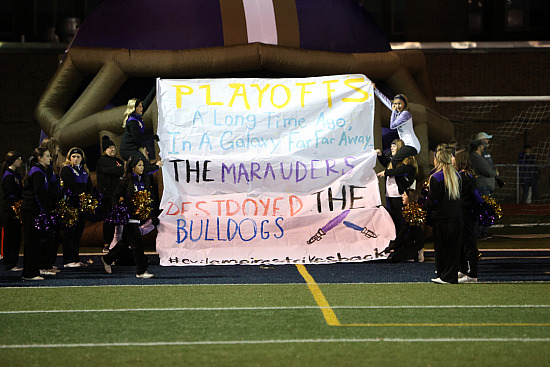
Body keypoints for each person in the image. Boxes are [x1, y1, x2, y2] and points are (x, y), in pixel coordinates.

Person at [102, 155, 155, 279]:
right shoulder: (126, 180)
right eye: (139, 165)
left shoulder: (145, 180)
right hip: (129, 217)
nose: (142, 167)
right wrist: (118, 209)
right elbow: (115, 196)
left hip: (138, 216)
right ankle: (141, 271)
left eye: (143, 165)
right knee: (138, 242)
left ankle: (107, 259)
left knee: (125, 242)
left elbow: (148, 196)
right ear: (133, 167)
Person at [424, 145, 462, 284]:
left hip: (442, 218)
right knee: (454, 248)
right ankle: (450, 275)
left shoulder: (436, 177)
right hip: (457, 217)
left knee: (441, 248)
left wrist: (425, 212)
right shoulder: (457, 175)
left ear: (437, 160)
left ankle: (444, 275)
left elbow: (433, 199)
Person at [21, 148, 56, 280]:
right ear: (40, 158)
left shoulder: (41, 171)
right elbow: (37, 193)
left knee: (34, 241)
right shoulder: (38, 172)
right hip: (32, 210)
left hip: (33, 210)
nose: (50, 158)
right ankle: (29, 273)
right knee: (32, 241)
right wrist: (43, 210)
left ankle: (33, 270)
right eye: (47, 156)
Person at [453, 148, 483, 283]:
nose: (452, 160)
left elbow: (475, 197)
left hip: (465, 214)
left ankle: (472, 274)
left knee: (469, 243)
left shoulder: (463, 176)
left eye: (454, 157)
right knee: (463, 243)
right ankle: (464, 270)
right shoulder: (466, 175)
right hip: (465, 214)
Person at [60, 147, 93, 268]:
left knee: (78, 233)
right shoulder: (66, 169)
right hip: (71, 205)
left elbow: (90, 186)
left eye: (78, 156)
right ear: (69, 158)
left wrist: (88, 198)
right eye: (73, 156)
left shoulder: (84, 170)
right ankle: (68, 260)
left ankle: (75, 258)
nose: (76, 159)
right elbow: (70, 185)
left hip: (82, 206)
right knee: (70, 232)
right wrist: (81, 196)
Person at [374, 84, 421, 167]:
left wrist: (393, 111)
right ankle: (390, 175)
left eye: (400, 104)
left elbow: (392, 126)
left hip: (412, 145)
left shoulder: (406, 114)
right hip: (404, 145)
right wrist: (375, 90)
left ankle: (388, 173)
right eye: (395, 104)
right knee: (388, 158)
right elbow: (386, 101)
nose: (397, 106)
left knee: (394, 160)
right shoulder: (397, 112)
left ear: (404, 104)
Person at [376, 139, 417, 234]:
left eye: (394, 145)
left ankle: (402, 237)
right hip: (389, 193)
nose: (391, 148)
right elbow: (385, 162)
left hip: (399, 194)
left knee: (400, 217)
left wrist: (386, 172)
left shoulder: (407, 160)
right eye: (391, 145)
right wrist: (380, 155)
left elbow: (399, 171)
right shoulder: (391, 159)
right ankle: (395, 237)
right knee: (392, 217)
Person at [119, 92, 163, 174]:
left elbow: (147, 102)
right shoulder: (132, 122)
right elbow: (138, 139)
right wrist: (153, 137)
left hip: (134, 148)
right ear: (134, 108)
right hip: (128, 150)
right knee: (144, 167)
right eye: (139, 107)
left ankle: (154, 167)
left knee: (145, 164)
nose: (142, 108)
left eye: (141, 106)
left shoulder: (138, 115)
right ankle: (157, 166)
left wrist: (155, 88)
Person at [96, 136, 125, 252]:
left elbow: (121, 170)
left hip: (118, 195)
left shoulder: (117, 160)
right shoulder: (102, 161)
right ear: (105, 149)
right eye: (109, 147)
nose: (112, 150)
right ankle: (107, 243)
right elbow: (115, 170)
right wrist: (119, 170)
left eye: (114, 147)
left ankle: (118, 243)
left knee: (119, 221)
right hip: (107, 196)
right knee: (109, 221)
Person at [39, 137, 62, 275]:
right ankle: (43, 265)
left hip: (53, 205)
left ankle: (49, 264)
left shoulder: (53, 166)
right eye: (57, 147)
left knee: (53, 237)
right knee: (46, 237)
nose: (59, 150)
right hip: (46, 207)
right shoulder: (44, 169)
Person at [469, 139, 496, 239]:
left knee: (484, 209)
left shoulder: (478, 157)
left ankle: (482, 231)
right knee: (482, 209)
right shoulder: (476, 157)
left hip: (484, 185)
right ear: (479, 147)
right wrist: (495, 173)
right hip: (482, 185)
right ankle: (480, 232)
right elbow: (488, 170)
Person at [1, 151, 24, 272]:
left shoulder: (16, 174)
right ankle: (9, 263)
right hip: (9, 210)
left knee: (16, 236)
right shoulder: (8, 176)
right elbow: (11, 194)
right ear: (13, 161)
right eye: (19, 159)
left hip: (15, 210)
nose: (21, 161)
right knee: (10, 237)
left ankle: (13, 261)